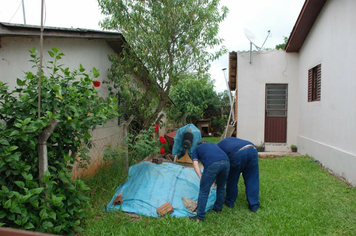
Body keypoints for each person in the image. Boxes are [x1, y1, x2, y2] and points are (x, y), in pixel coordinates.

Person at [189, 139, 230, 222]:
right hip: (226, 162)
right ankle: (218, 208)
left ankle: (200, 217)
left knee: (204, 191)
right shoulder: (213, 145)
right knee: (221, 187)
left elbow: (195, 164)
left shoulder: (196, 149)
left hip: (213, 163)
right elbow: (216, 160)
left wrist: (201, 176)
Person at [217, 137, 260, 212]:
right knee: (252, 178)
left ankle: (230, 201)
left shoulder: (217, 148)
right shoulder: (229, 140)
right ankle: (254, 205)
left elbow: (220, 164)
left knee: (232, 178)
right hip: (252, 150)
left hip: (237, 154)